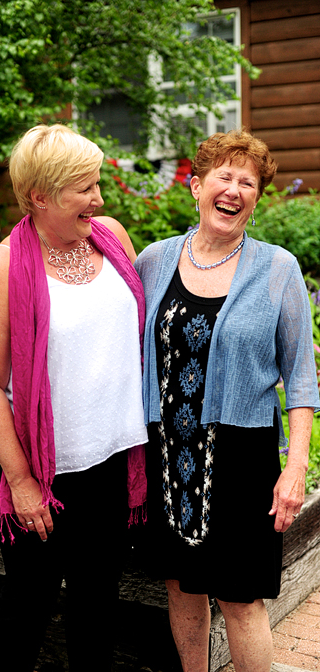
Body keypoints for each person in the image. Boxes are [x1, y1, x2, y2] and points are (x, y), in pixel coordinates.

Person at [0, 124, 148, 671]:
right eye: (85, 189)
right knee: (29, 603)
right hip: (37, 467)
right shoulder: (1, 268)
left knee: (98, 604)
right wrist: (21, 483)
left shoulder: (110, 236)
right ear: (40, 196)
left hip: (111, 456)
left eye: (97, 184)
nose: (100, 199)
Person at [135, 129, 320, 672]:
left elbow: (302, 379)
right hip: (167, 453)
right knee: (181, 585)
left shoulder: (278, 269)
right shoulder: (153, 261)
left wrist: (296, 467)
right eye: (224, 176)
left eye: (249, 181)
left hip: (241, 457)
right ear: (196, 186)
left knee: (241, 598)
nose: (235, 189)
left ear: (257, 197)